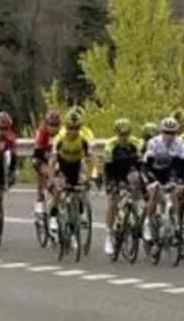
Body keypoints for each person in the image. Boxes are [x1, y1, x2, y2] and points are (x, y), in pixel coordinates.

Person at [47, 107, 98, 235]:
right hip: (62, 164)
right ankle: (53, 217)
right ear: (66, 127)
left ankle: (80, 214)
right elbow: (52, 161)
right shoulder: (60, 138)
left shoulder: (83, 138)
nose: (73, 131)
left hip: (76, 164)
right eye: (70, 128)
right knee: (58, 190)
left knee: (80, 188)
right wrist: (51, 178)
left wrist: (92, 175)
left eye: (76, 128)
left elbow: (91, 158)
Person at [100, 117, 143, 257]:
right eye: (121, 135)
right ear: (117, 133)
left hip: (129, 171)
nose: (124, 138)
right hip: (113, 172)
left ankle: (134, 212)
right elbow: (108, 168)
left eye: (126, 134)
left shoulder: (136, 143)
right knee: (113, 200)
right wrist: (113, 185)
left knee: (137, 181)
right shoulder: (110, 145)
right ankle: (109, 234)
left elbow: (141, 165)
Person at [142, 116, 184, 238]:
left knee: (175, 195)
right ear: (161, 132)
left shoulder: (180, 143)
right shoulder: (153, 142)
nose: (169, 136)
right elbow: (147, 164)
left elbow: (182, 166)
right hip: (153, 171)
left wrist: (180, 181)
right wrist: (151, 180)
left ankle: (177, 223)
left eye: (172, 133)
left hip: (170, 172)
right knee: (155, 193)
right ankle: (147, 222)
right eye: (166, 132)